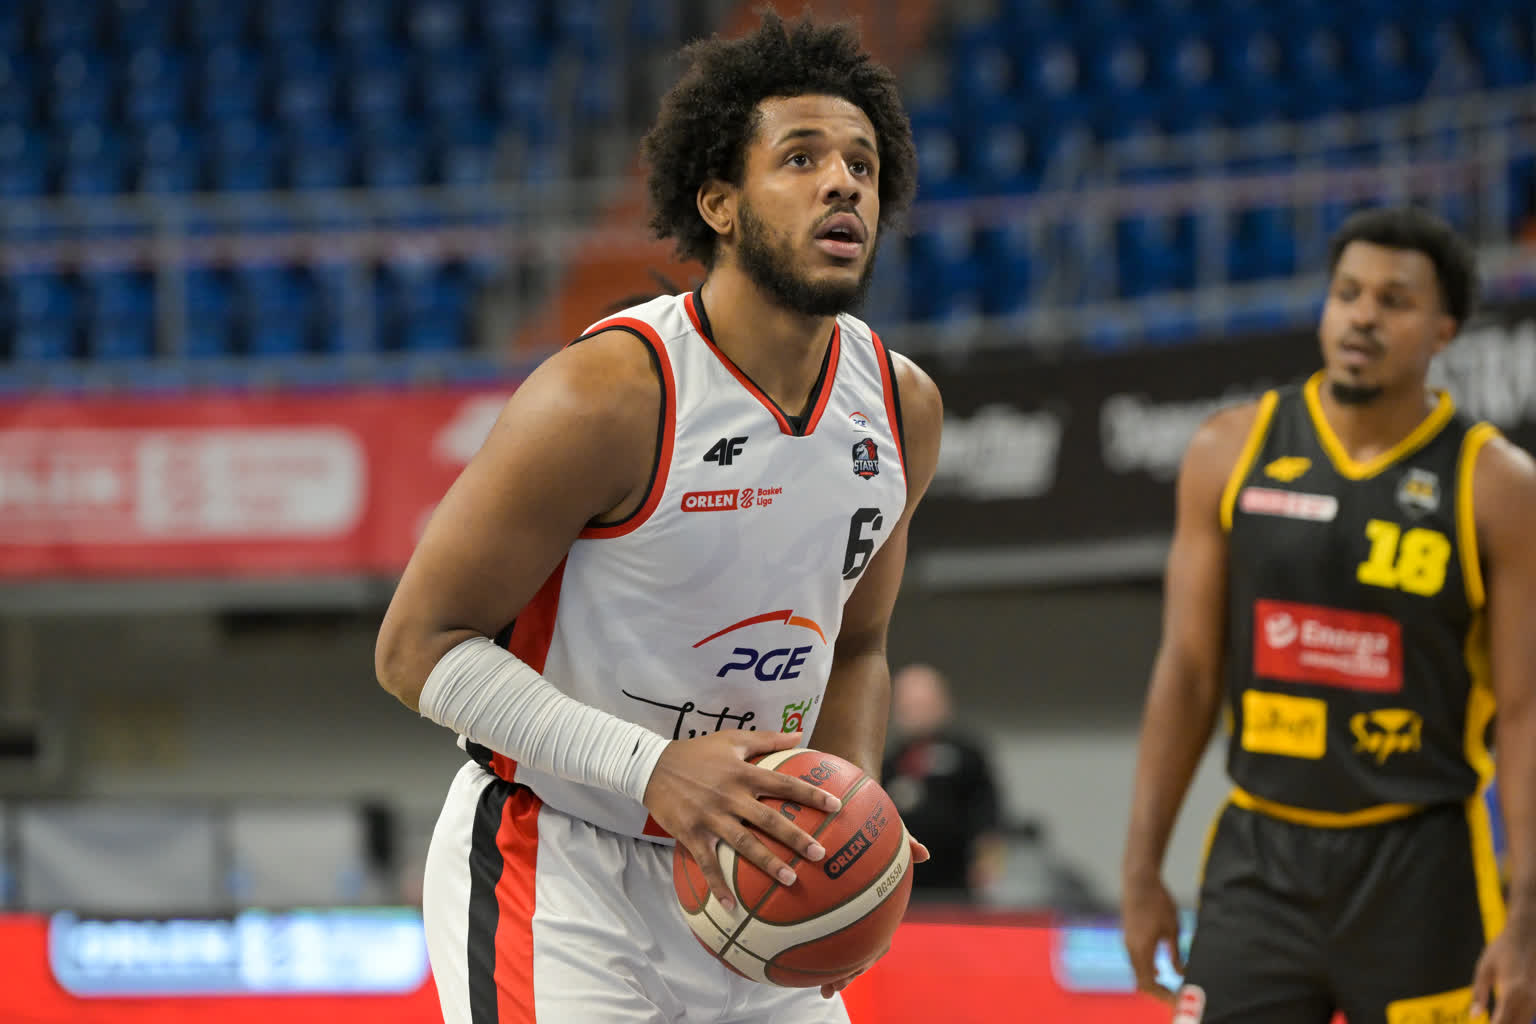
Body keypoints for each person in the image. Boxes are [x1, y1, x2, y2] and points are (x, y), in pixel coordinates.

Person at [374, 12, 940, 1024]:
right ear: (719, 203)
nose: (844, 183)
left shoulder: (902, 407)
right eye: (801, 158)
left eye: (861, 163)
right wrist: (652, 772)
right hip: (561, 865)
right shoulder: (608, 394)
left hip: (757, 865)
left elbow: (858, 647)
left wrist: (847, 813)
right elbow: (416, 649)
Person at [1120, 206, 1536, 1024]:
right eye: (1348, 294)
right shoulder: (1228, 451)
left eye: (1394, 300)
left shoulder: (1498, 486)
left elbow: (1525, 714)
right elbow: (1189, 673)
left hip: (1424, 865)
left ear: (1444, 330)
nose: (1363, 317)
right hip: (1260, 861)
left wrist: (1527, 915)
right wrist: (1140, 871)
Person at [881, 663, 1003, 903]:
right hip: (904, 884)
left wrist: (988, 860)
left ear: (942, 703)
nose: (914, 712)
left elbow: (988, 811)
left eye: (922, 703)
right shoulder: (889, 762)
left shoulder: (967, 755)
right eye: (907, 704)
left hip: (957, 882)